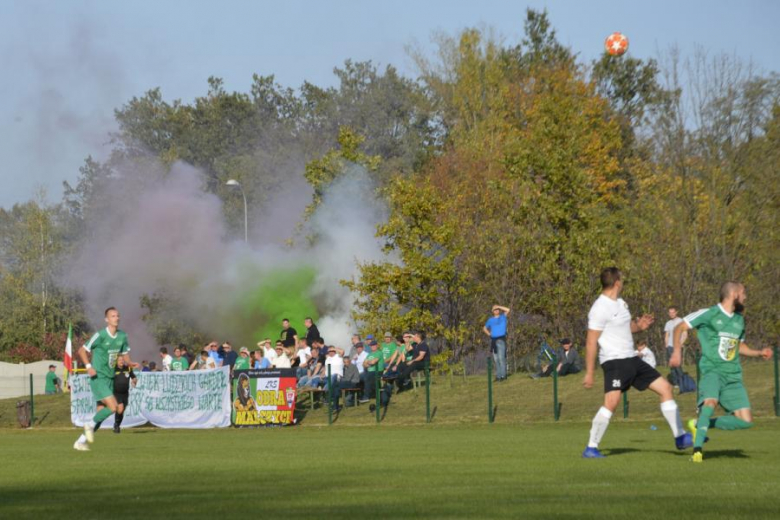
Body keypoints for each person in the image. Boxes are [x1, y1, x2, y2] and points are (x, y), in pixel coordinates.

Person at [581, 267, 691, 458]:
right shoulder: (600, 308)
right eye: (621, 280)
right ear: (617, 282)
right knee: (612, 403)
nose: (622, 282)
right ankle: (591, 447)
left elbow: (625, 327)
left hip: (632, 358)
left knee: (665, 388)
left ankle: (680, 437)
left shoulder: (621, 303)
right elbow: (591, 341)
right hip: (614, 361)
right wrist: (589, 372)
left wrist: (639, 326)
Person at [671, 281, 774, 463]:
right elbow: (679, 327)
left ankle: (699, 424)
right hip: (712, 371)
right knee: (710, 403)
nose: (745, 297)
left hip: (733, 375)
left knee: (746, 421)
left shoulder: (739, 320)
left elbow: (739, 346)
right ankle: (697, 451)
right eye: (743, 292)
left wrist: (758, 353)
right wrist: (677, 352)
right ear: (734, 294)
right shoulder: (709, 313)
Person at [74, 307, 132, 451]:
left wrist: (130, 363)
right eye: (113, 316)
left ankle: (81, 441)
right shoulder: (100, 335)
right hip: (98, 376)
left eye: (118, 316)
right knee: (114, 407)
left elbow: (124, 354)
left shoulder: (122, 336)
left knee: (100, 414)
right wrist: (88, 366)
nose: (116, 318)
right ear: (106, 319)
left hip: (109, 378)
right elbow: (81, 350)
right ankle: (87, 426)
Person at [483, 305, 511, 382]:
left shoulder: (502, 317)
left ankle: (503, 375)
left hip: (501, 339)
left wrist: (498, 306)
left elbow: (508, 310)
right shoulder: (490, 320)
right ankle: (498, 376)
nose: (496, 311)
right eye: (495, 310)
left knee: (501, 358)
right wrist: (489, 334)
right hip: (493, 340)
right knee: (496, 359)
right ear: (492, 311)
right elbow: (484, 328)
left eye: (497, 309)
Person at [111, 355, 137, 433]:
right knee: (120, 407)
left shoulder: (128, 368)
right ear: (116, 361)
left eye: (122, 360)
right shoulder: (113, 369)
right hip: (116, 392)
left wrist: (134, 381)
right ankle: (116, 425)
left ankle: (117, 425)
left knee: (122, 411)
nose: (121, 361)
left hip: (125, 393)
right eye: (119, 360)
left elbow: (134, 377)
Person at [664, 306, 686, 386]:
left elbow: (685, 334)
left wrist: (680, 344)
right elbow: (667, 335)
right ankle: (675, 382)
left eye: (673, 312)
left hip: (677, 346)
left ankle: (682, 382)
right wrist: (666, 345)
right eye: (670, 312)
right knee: (672, 366)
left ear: (676, 312)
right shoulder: (668, 323)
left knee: (678, 365)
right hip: (670, 346)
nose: (671, 314)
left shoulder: (681, 321)